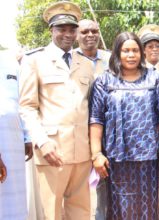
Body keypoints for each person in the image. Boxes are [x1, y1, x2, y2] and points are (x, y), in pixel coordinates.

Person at [19, 2, 95, 219]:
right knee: (51, 213)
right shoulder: (34, 61)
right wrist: (42, 141)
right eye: (62, 29)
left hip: (82, 151)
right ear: (51, 30)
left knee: (81, 213)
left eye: (72, 29)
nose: (68, 34)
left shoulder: (85, 64)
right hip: (52, 151)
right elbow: (27, 107)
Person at [89, 32, 159, 220]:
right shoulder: (104, 81)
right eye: (126, 50)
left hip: (148, 156)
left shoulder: (153, 78)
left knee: (147, 206)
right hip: (116, 157)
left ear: (141, 53)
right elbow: (96, 119)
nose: (131, 55)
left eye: (135, 50)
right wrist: (96, 154)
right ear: (117, 53)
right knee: (119, 206)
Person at [75, 18, 110, 220]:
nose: (90, 35)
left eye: (94, 31)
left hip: (105, 133)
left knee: (104, 184)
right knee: (77, 186)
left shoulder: (112, 59)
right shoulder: (69, 60)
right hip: (77, 133)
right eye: (85, 32)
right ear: (77, 35)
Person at [138, 24, 159, 220]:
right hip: (141, 133)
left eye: (157, 45)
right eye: (149, 46)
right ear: (142, 49)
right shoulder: (134, 69)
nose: (154, 49)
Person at [0, 50, 33, 220]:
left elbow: (20, 104)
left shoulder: (11, 62)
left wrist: (27, 137)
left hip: (13, 144)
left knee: (15, 203)